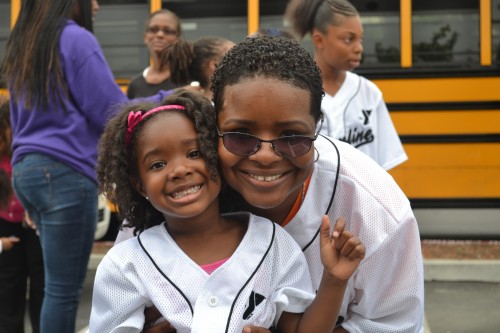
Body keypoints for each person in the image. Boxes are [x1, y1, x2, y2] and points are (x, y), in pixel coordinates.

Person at [90, 90, 365, 332]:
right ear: (139, 185)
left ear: (218, 159)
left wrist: (334, 279)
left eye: (195, 153)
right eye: (158, 165)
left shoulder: (272, 243)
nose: (180, 170)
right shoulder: (125, 265)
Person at [1, 1, 174, 332]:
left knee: (53, 286)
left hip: (28, 173)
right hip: (63, 173)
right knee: (63, 292)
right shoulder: (75, 39)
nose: (95, 5)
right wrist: (168, 97)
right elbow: (111, 111)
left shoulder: (26, 44)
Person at [285, 0, 407, 171]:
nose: (359, 48)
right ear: (319, 40)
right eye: (349, 39)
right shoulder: (295, 91)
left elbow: (385, 165)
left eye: (360, 39)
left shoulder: (369, 93)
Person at [0, 97, 44, 333]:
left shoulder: (32, 147)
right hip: (6, 227)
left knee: (41, 287)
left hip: (35, 225)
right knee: (9, 290)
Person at [127, 9, 182, 98]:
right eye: (153, 30)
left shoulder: (187, 79)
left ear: (178, 39)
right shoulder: (135, 85)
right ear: (145, 37)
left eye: (168, 31)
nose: (160, 35)